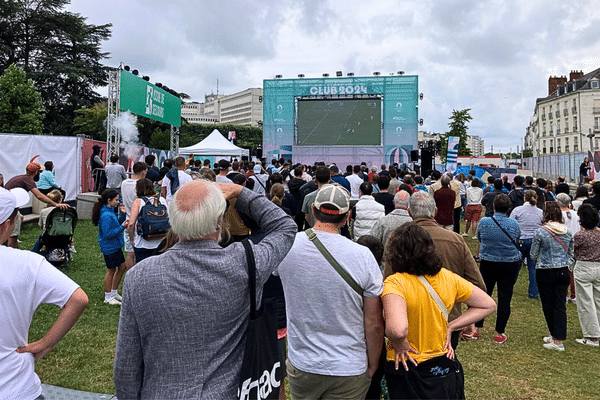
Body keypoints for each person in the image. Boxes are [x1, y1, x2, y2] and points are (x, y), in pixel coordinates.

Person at [114, 181, 297, 399]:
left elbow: (126, 366)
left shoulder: (139, 277)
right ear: (219, 221)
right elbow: (285, 226)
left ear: (172, 219)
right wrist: (241, 193)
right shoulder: (245, 264)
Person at [276, 184, 384, 399]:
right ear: (348, 217)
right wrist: (372, 365)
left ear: (312, 211)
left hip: (305, 363)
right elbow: (373, 322)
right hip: (349, 365)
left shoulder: (287, 246)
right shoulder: (363, 256)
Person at [382, 223, 496, 400]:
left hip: (406, 365)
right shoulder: (447, 277)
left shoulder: (395, 283)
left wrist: (400, 341)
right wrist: (451, 326)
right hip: (442, 365)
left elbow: (397, 330)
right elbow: (488, 304)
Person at [0, 186, 88, 400]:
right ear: (6, 225)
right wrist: (46, 343)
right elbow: (78, 299)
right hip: (16, 388)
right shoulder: (27, 264)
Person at [408, 191, 487, 348]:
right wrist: (468, 318)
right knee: (444, 369)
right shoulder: (455, 240)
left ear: (409, 212)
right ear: (435, 211)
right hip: (448, 317)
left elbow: (387, 282)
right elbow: (478, 284)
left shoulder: (397, 238)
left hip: (409, 320)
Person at [475, 194, 522, 344]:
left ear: (494, 206)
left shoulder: (484, 222)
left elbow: (480, 238)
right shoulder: (513, 224)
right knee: (505, 298)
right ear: (509, 208)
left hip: (488, 261)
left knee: (483, 295)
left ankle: (476, 328)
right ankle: (499, 332)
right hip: (509, 263)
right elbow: (517, 238)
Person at [530, 201, 574, 351]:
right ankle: (556, 335)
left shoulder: (541, 232)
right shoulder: (567, 231)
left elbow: (533, 254)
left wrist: (540, 262)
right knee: (560, 305)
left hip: (545, 270)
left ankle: (557, 339)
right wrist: (567, 263)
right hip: (562, 270)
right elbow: (572, 253)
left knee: (548, 304)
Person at [5, 157, 68, 248]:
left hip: (7, 206)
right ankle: (12, 254)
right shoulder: (28, 180)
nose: (40, 174)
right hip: (9, 208)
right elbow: (38, 195)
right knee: (13, 237)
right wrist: (56, 204)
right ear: (36, 172)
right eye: (40, 172)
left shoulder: (21, 178)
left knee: (20, 217)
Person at [92, 189, 128, 305]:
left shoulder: (109, 211)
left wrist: (122, 215)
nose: (118, 202)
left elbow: (116, 224)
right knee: (111, 270)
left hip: (115, 245)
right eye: (116, 200)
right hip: (110, 247)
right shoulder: (106, 214)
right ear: (109, 200)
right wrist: (122, 227)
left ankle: (114, 292)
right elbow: (108, 234)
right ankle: (108, 296)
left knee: (122, 267)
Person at [573, 204, 600, 347]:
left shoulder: (580, 235)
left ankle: (592, 336)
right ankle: (596, 331)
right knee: (598, 301)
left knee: (585, 303)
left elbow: (574, 250)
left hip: (584, 267)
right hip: (598, 266)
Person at [510, 190, 543, 299]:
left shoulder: (518, 210)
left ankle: (509, 286)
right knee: (533, 267)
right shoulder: (540, 212)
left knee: (516, 265)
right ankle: (534, 293)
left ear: (524, 198)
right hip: (534, 241)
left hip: (521, 240)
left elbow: (511, 223)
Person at [127, 178, 168, 263]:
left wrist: (132, 238)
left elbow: (131, 223)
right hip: (161, 243)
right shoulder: (163, 200)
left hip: (143, 244)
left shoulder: (138, 202)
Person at [121, 162, 148, 269]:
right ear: (143, 172)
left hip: (127, 219)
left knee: (130, 253)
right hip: (140, 221)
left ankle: (130, 276)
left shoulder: (124, 183)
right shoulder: (142, 185)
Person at [558, 192, 580, 303]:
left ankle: (566, 294)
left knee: (565, 271)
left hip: (563, 244)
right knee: (572, 270)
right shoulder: (576, 214)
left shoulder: (558, 215)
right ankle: (573, 294)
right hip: (575, 244)